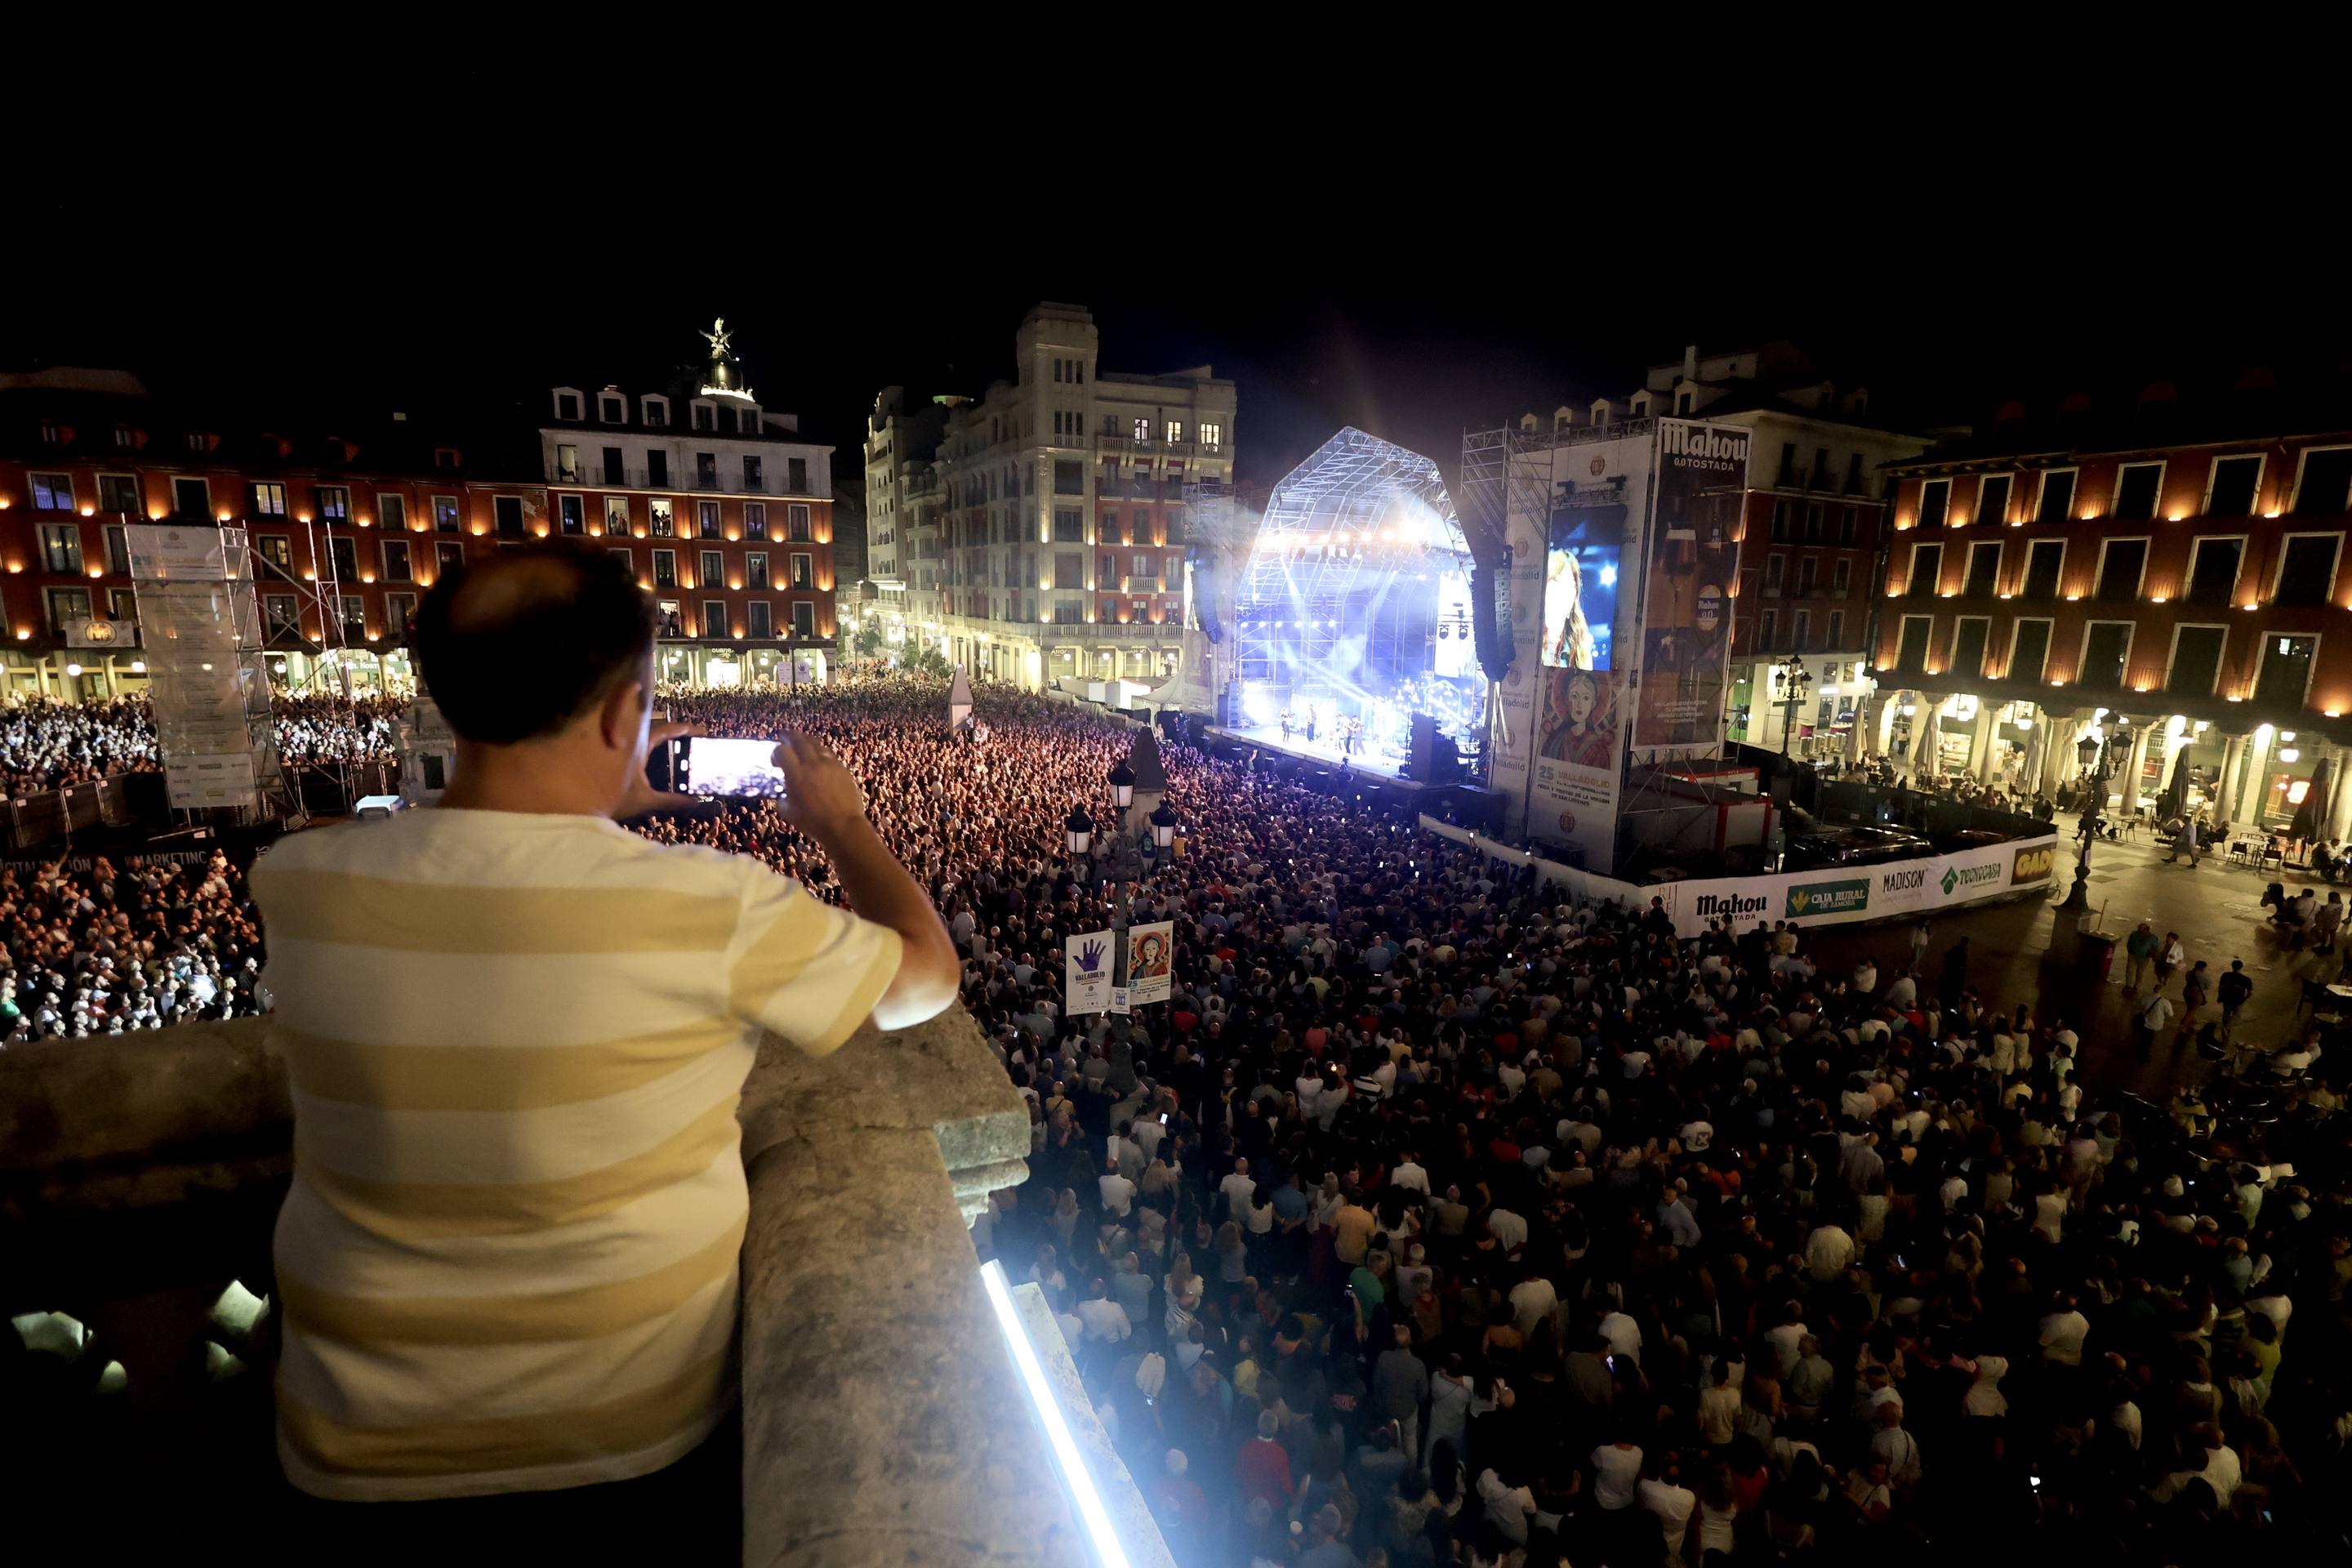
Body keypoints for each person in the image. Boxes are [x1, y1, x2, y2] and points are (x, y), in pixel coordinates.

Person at [252, 545, 957, 1531]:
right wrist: (841, 823)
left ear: (448, 695)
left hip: (348, 1446)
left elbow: (469, 868)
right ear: (628, 715)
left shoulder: (298, 882)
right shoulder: (709, 904)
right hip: (625, 1445)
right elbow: (926, 980)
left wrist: (581, 798)